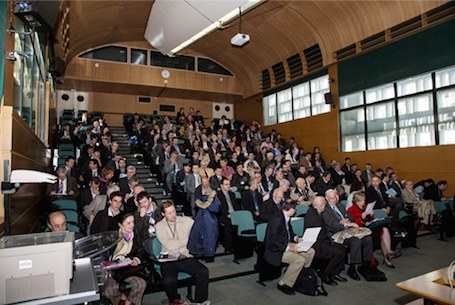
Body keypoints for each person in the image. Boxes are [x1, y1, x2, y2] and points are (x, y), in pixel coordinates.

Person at [155, 202, 210, 304]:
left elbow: (199, 230)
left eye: (174, 211)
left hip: (185, 256)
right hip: (169, 258)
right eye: (169, 213)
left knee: (203, 272)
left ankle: (200, 301)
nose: (173, 215)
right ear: (163, 214)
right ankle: (175, 300)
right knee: (168, 281)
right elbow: (169, 245)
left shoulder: (186, 221)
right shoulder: (159, 226)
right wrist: (188, 240)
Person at [322, 189, 378, 281]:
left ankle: (366, 264)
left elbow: (350, 216)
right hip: (337, 234)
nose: (333, 200)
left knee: (367, 238)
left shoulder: (340, 205)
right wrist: (344, 224)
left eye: (335, 197)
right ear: (326, 198)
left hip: (348, 231)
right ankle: (352, 268)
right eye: (331, 198)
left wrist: (346, 219)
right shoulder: (325, 209)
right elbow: (330, 224)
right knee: (356, 241)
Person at [264, 200, 315, 295]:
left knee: (310, 251)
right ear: (290, 209)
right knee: (299, 260)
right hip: (276, 249)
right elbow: (273, 241)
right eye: (294, 209)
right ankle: (284, 283)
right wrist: (290, 249)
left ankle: (299, 275)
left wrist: (297, 238)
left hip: (285, 244)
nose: (295, 211)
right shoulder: (277, 219)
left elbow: (289, 232)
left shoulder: (286, 217)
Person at [104, 212, 147, 305]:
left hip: (128, 268)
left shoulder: (135, 234)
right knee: (109, 290)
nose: (132, 225)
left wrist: (136, 259)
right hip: (114, 268)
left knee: (140, 284)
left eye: (133, 222)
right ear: (120, 224)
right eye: (128, 223)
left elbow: (141, 250)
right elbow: (105, 254)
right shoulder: (112, 236)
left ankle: (129, 302)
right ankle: (121, 299)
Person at [348, 192, 398, 269]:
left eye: (364, 200)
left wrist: (371, 214)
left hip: (369, 227)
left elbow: (370, 219)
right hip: (361, 230)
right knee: (382, 233)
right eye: (361, 201)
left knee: (384, 229)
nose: (363, 202)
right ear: (356, 201)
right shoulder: (351, 209)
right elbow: (355, 223)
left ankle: (388, 252)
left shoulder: (364, 206)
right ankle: (387, 256)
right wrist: (362, 218)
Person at [304, 197, 346, 285]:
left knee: (341, 247)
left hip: (322, 240)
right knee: (339, 253)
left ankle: (334, 273)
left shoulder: (315, 212)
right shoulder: (314, 217)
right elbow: (317, 235)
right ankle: (327, 274)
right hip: (317, 244)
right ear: (320, 205)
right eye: (324, 205)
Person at [217, 178, 240, 252]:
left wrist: (236, 214)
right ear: (221, 185)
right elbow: (220, 208)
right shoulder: (218, 195)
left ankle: (239, 245)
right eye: (226, 184)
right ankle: (228, 245)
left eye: (229, 184)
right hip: (224, 215)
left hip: (234, 214)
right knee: (228, 223)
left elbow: (236, 206)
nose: (228, 186)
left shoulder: (232, 194)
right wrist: (228, 214)